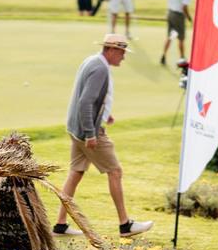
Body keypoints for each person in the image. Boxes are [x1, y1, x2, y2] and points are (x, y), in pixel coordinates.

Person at [53, 34, 152, 237]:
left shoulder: (92, 61)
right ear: (111, 50)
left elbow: (92, 98)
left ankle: (60, 225)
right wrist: (91, 133)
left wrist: (105, 113)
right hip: (87, 132)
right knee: (115, 171)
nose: (123, 57)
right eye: (122, 52)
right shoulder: (100, 68)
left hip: (75, 128)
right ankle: (125, 225)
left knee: (76, 173)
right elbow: (85, 102)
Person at [160, 0, 196, 67]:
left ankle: (163, 56)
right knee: (181, 38)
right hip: (178, 15)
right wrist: (189, 18)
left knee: (170, 36)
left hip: (170, 12)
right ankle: (182, 58)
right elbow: (184, 7)